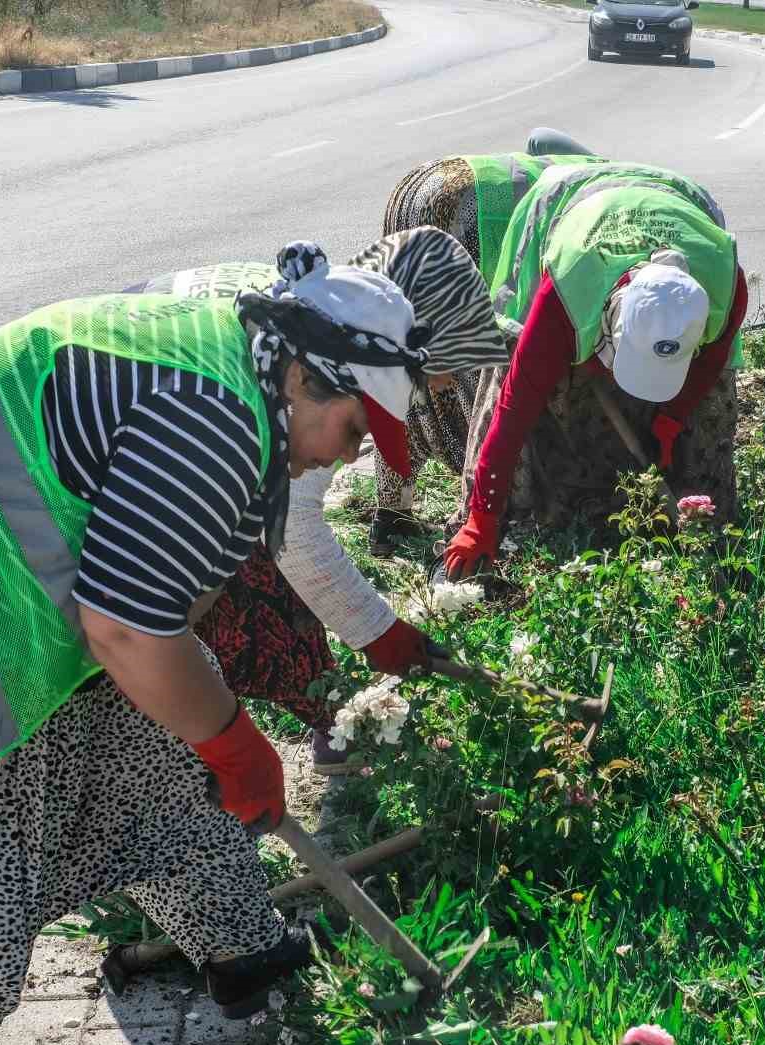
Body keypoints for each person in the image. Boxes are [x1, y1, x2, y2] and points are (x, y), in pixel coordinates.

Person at [0, 241, 431, 1045]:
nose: (347, 455)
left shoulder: (258, 384)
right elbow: (124, 629)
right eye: (351, 429)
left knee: (157, 733)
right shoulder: (217, 419)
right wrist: (234, 740)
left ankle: (238, 943)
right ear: (304, 379)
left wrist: (204, 718)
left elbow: (165, 609)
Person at [128, 227, 508, 773]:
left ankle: (255, 720)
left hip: (148, 423)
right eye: (445, 358)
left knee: (251, 555)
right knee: (236, 574)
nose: (353, 456)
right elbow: (296, 534)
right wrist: (378, 632)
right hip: (111, 445)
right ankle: (193, 735)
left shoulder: (324, 333)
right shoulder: (291, 380)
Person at [441, 158, 749, 578]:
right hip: (567, 205)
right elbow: (514, 407)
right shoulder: (567, 289)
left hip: (678, 199)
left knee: (711, 416)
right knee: (522, 381)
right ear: (608, 321)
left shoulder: (723, 281)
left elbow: (711, 365)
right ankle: (523, 520)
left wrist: (673, 420)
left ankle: (710, 532)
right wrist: (482, 515)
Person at [377, 132, 599, 555]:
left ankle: (391, 513)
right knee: (477, 377)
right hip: (473, 208)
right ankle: (480, 501)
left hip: (425, 184)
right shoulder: (609, 197)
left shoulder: (585, 176)